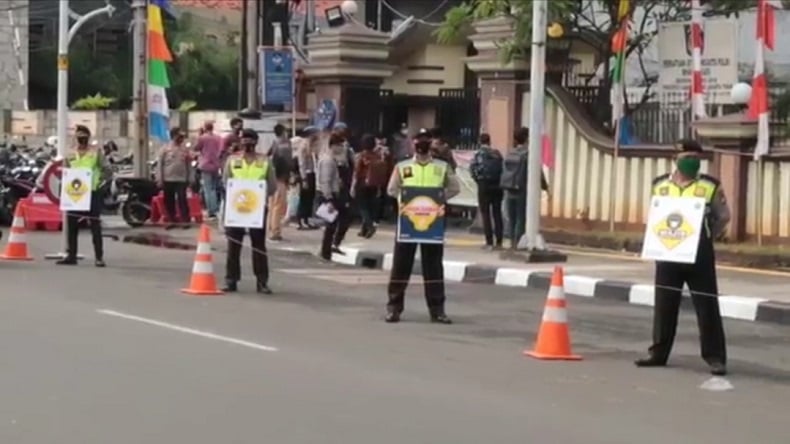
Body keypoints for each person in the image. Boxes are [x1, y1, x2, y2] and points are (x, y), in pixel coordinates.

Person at [635, 139, 729, 376]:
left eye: (697, 158)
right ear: (675, 158)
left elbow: (723, 217)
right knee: (664, 305)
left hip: (699, 255)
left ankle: (715, 357)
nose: (693, 162)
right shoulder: (659, 185)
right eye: (688, 157)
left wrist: (707, 236)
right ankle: (658, 353)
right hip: (668, 252)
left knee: (706, 305)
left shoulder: (710, 185)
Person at [385, 133, 460, 324]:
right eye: (419, 143)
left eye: (425, 143)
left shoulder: (441, 167)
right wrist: (406, 200)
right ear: (413, 145)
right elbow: (392, 189)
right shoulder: (402, 166)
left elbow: (454, 188)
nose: (422, 147)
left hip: (432, 223)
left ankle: (437, 310)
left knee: (433, 266)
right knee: (401, 265)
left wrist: (438, 198)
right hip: (408, 221)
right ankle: (394, 307)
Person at [221, 129, 277, 294]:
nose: (247, 144)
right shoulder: (232, 160)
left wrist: (260, 197)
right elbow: (225, 182)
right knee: (234, 245)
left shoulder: (265, 161)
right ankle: (231, 280)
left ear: (256, 142)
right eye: (244, 140)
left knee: (258, 246)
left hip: (257, 209)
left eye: (250, 140)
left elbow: (272, 186)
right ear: (240, 142)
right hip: (236, 209)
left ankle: (262, 282)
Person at [57, 125, 113, 267]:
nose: (81, 139)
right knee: (72, 225)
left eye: (84, 137)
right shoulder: (70, 154)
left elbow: (107, 169)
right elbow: (65, 172)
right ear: (75, 138)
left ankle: (99, 257)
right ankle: (72, 255)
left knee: (95, 225)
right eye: (79, 136)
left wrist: (101, 184)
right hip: (74, 194)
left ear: (88, 138)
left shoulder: (96, 153)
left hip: (92, 192)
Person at [499, 127, 548, 249]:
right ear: (527, 138)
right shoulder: (529, 154)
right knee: (521, 218)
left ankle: (512, 243)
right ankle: (518, 244)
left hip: (509, 189)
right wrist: (545, 187)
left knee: (511, 219)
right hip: (522, 190)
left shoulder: (510, 153)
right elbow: (538, 172)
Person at [317, 133, 353, 260]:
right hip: (330, 196)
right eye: (340, 145)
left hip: (335, 194)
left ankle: (328, 249)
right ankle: (325, 252)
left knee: (336, 222)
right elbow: (325, 181)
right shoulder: (327, 161)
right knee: (331, 225)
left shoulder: (334, 159)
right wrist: (329, 199)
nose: (342, 148)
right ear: (333, 146)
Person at [470, 133, 504, 250]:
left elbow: (473, 170)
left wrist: (479, 181)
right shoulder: (497, 154)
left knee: (485, 214)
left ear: (480, 141)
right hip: (497, 186)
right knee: (497, 213)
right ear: (489, 141)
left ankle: (489, 242)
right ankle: (499, 241)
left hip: (484, 186)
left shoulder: (478, 155)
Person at [156, 127, 193, 229]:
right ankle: (171, 220)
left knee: (182, 199)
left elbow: (188, 165)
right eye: (179, 136)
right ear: (173, 136)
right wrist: (160, 179)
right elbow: (159, 165)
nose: (181, 139)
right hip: (168, 179)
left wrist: (190, 178)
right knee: (169, 200)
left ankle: (185, 220)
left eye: (182, 137)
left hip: (181, 179)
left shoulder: (185, 149)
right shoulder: (165, 149)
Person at [352, 134, 388, 238]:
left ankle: (370, 226)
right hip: (374, 185)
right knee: (369, 207)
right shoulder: (377, 156)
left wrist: (353, 186)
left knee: (363, 207)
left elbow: (357, 172)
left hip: (362, 183)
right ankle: (364, 230)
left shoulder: (361, 156)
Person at [267, 124, 293, 241]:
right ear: (283, 132)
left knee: (272, 205)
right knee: (278, 205)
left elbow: (269, 156)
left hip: (272, 177)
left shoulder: (274, 143)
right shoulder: (286, 144)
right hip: (281, 177)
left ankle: (270, 228)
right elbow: (288, 162)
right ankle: (275, 231)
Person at [193, 120, 223, 219]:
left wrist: (199, 135)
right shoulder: (219, 138)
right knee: (214, 188)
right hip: (216, 165)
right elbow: (221, 150)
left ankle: (211, 210)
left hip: (205, 165)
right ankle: (215, 209)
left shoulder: (202, 138)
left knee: (207, 188)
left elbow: (196, 148)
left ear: (205, 128)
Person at [296, 126, 320, 230]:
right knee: (304, 198)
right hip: (306, 174)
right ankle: (300, 220)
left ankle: (307, 219)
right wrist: (304, 178)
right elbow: (301, 163)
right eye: (315, 134)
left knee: (310, 198)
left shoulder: (313, 146)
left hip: (313, 174)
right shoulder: (303, 146)